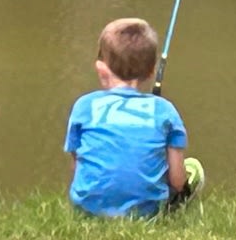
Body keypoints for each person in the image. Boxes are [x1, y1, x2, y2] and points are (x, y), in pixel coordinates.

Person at [64, 17, 202, 218]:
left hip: (87, 210)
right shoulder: (165, 110)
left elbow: (77, 164)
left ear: (101, 69)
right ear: (151, 71)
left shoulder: (83, 106)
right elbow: (178, 181)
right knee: (193, 169)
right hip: (147, 212)